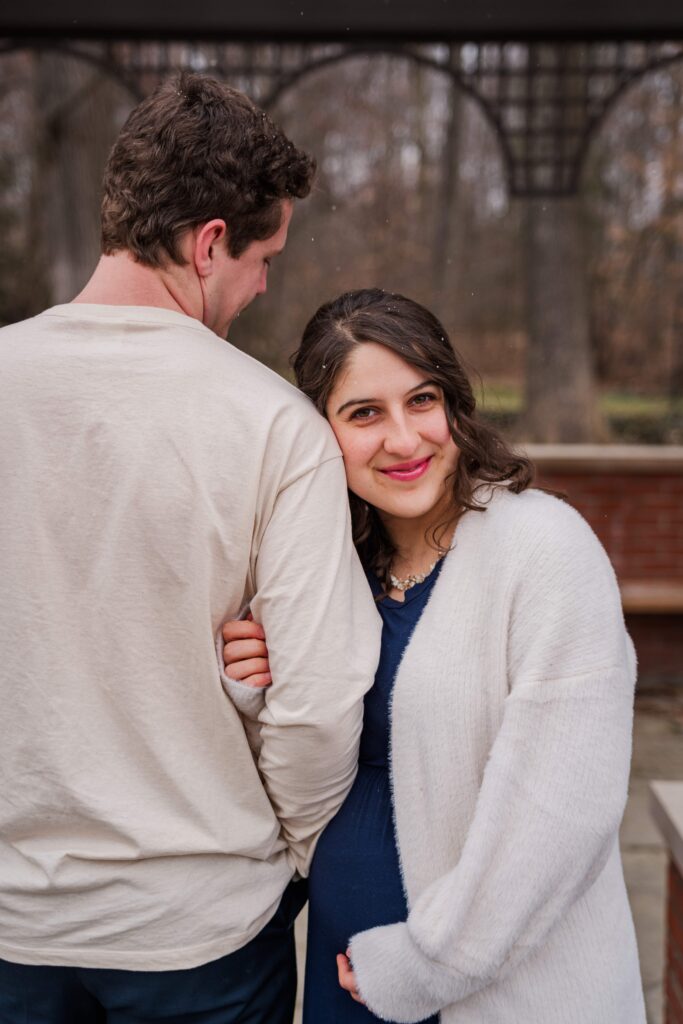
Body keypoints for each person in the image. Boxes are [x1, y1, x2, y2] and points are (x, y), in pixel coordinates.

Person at [0, 75, 381, 1023]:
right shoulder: (271, 424)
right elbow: (319, 704)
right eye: (264, 258)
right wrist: (285, 853)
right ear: (209, 242)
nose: (263, 286)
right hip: (198, 930)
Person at [223, 288, 646, 1023]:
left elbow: (559, 814)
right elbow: (303, 762)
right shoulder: (329, 567)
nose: (404, 438)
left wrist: (427, 964)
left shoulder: (543, 550)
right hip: (343, 966)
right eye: (363, 414)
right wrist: (257, 688)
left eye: (421, 400)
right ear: (319, 433)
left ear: (454, 402)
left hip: (488, 983)